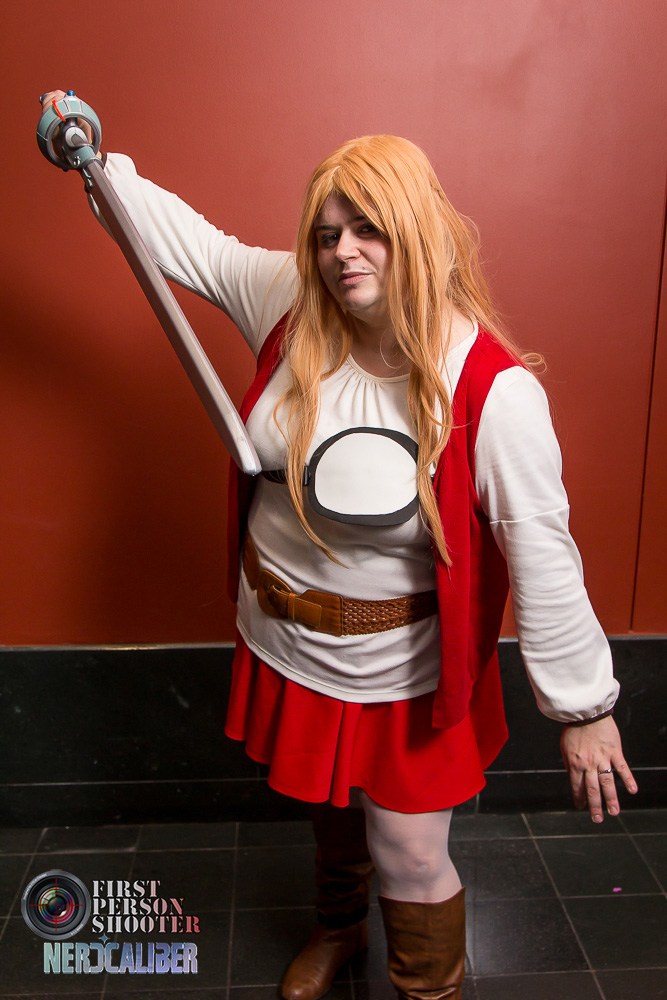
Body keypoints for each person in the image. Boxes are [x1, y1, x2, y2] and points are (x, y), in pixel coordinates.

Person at [41, 92, 638, 1000]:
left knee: (409, 852)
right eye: (326, 234)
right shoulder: (290, 301)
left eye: (368, 230)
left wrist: (583, 706)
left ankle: (425, 989)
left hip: (400, 668)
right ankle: (337, 929)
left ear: (418, 235)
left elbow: (541, 551)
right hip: (286, 639)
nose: (341, 253)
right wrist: (96, 162)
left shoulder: (490, 390)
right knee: (322, 802)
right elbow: (183, 242)